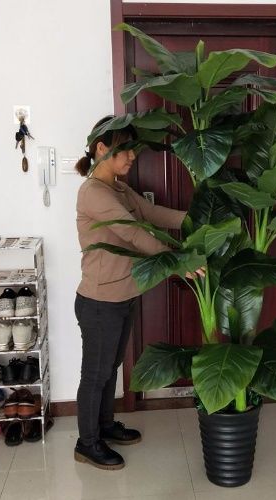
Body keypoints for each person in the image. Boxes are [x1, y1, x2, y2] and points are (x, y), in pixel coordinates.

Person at [73, 115, 198, 470]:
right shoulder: (93, 192)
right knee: (96, 374)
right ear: (102, 148)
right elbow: (132, 231)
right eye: (126, 150)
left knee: (110, 368)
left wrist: (193, 218)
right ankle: (87, 443)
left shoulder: (119, 188)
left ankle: (105, 426)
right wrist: (175, 262)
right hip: (100, 301)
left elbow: (151, 213)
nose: (132, 157)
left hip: (122, 296)